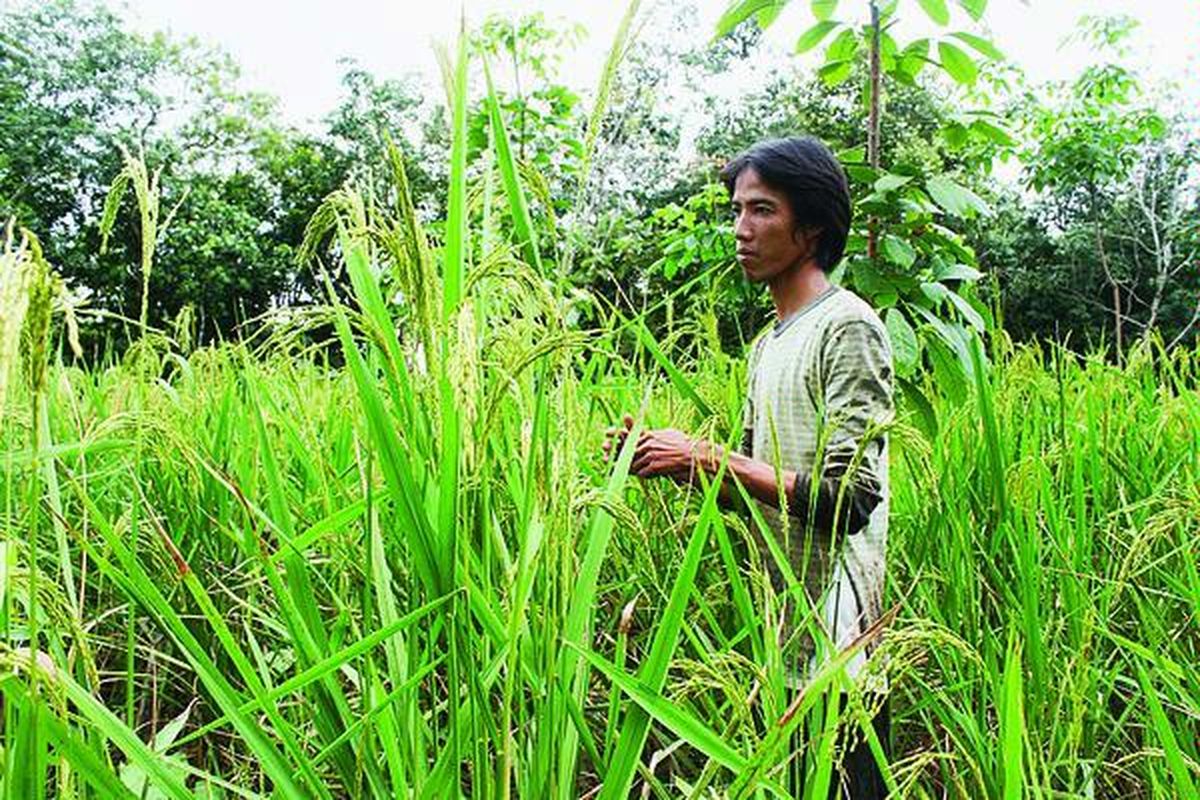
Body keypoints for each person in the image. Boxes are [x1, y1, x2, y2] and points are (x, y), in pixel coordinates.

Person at [605, 136, 893, 798]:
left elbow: (849, 501)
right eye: (737, 209)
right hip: (781, 633)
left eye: (762, 210)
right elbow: (753, 488)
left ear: (812, 225)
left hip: (839, 636)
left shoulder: (847, 326)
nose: (741, 230)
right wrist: (669, 458)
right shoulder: (768, 345)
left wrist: (708, 455)